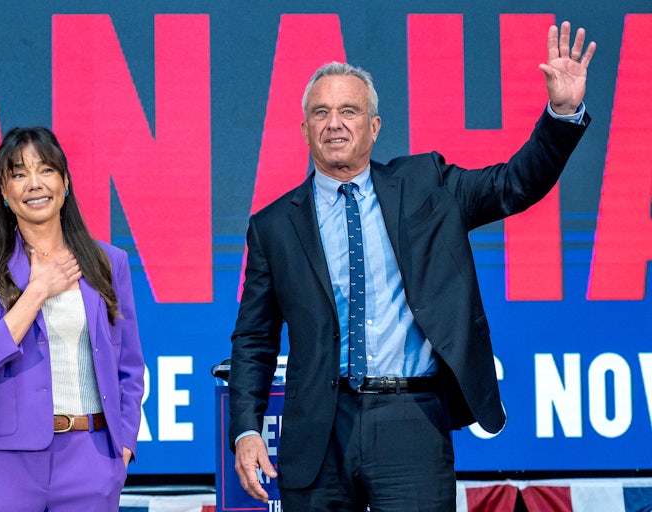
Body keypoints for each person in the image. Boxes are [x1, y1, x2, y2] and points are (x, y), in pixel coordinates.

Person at [228, 21, 595, 511]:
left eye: (349, 111)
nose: (334, 122)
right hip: (317, 428)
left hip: (412, 421)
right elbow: (254, 338)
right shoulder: (273, 225)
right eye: (321, 112)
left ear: (374, 126)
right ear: (304, 129)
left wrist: (562, 113)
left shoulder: (426, 185)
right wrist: (246, 430)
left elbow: (515, 184)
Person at [0, 127, 145, 511]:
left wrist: (122, 448)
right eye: (19, 174)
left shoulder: (109, 262)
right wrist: (38, 291)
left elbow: (129, 366)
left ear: (65, 181)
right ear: (5, 193)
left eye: (45, 170)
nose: (34, 184)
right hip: (5, 462)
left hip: (90, 459)